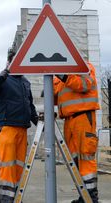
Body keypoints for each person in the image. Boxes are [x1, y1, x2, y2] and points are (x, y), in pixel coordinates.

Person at [0, 48, 38, 203]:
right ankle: (6, 200)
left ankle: (16, 198)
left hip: (23, 128)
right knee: (8, 166)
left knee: (19, 166)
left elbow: (30, 105)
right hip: (7, 127)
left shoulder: (25, 82)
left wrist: (39, 122)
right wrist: (4, 72)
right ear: (10, 62)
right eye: (16, 60)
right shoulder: (2, 78)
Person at [53, 62, 100, 203]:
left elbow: (85, 85)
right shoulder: (59, 74)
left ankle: (91, 197)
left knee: (85, 157)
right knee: (74, 160)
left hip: (83, 117)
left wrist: (64, 76)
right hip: (69, 120)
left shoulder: (83, 66)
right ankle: (83, 195)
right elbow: (58, 97)